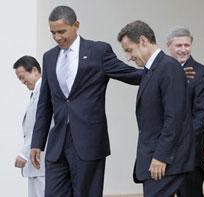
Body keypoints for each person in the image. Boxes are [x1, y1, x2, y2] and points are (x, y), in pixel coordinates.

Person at [30, 6, 143, 197]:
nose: (57, 37)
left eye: (61, 31)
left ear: (76, 25)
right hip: (58, 144)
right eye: (53, 33)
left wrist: (164, 71)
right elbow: (44, 104)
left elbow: (129, 74)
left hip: (88, 142)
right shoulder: (49, 57)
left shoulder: (98, 51)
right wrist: (37, 143)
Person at [118, 20, 195, 197]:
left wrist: (161, 156)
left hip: (165, 162)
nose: (128, 57)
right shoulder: (153, 70)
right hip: (156, 160)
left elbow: (174, 118)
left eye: (129, 50)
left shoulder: (168, 68)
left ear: (143, 41)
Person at [166, 26, 204, 197]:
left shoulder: (203, 74)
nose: (183, 49)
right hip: (162, 151)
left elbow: (201, 113)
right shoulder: (160, 71)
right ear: (168, 46)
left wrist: (181, 142)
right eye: (178, 45)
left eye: (187, 45)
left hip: (190, 150)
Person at [14, 56, 46, 197]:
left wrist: (23, 153)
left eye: (22, 77)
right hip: (36, 164)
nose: (22, 82)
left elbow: (39, 125)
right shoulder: (36, 93)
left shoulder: (44, 92)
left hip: (40, 160)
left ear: (34, 70)